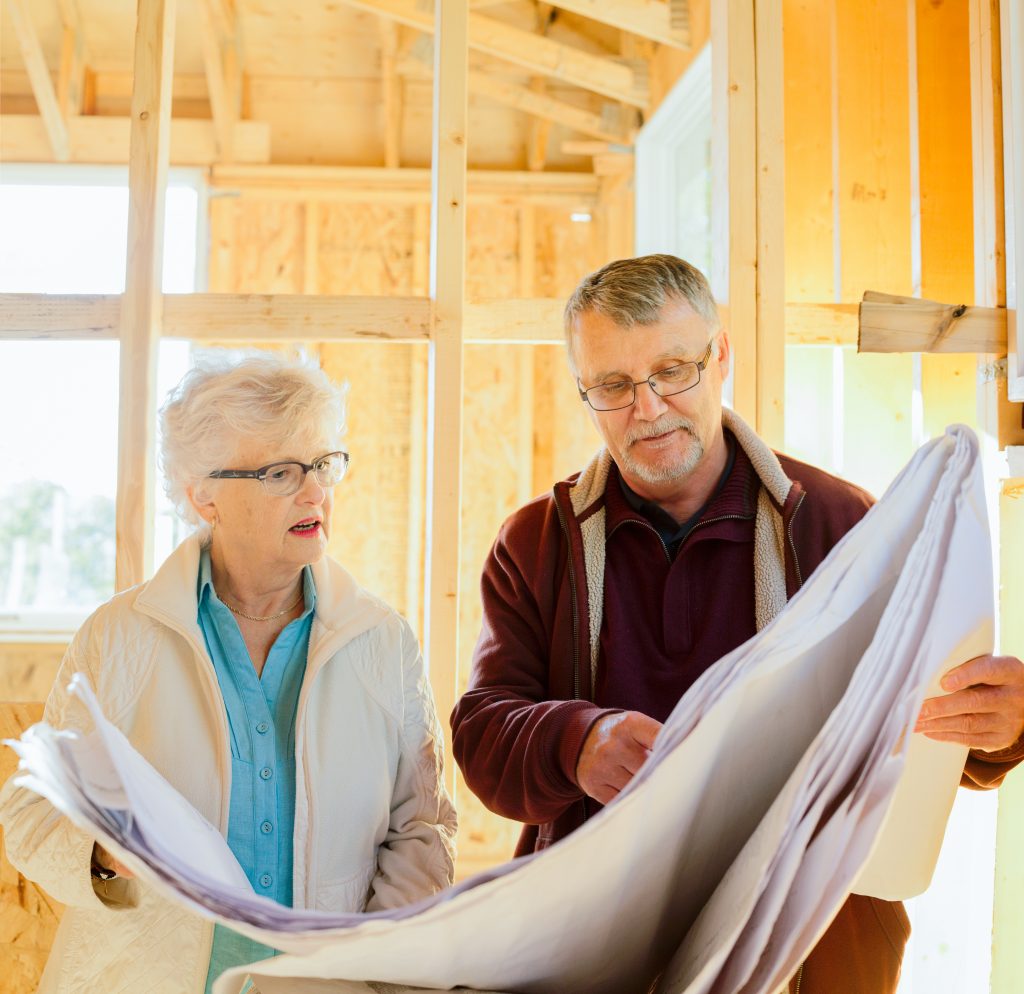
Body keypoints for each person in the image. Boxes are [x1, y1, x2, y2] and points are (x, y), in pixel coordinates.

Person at [450, 254, 1024, 993]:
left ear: (721, 356)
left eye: (673, 370)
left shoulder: (846, 524)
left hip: (815, 952)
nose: (648, 408)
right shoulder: (537, 541)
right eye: (614, 386)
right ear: (583, 393)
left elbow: (921, 723)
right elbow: (482, 733)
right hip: (599, 946)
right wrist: (576, 741)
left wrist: (1000, 727)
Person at [1, 351, 457, 994]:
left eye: (324, 464)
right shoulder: (119, 636)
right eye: (279, 472)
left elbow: (422, 830)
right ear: (203, 495)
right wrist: (103, 851)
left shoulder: (383, 641)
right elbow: (30, 809)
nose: (314, 491)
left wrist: (377, 972)